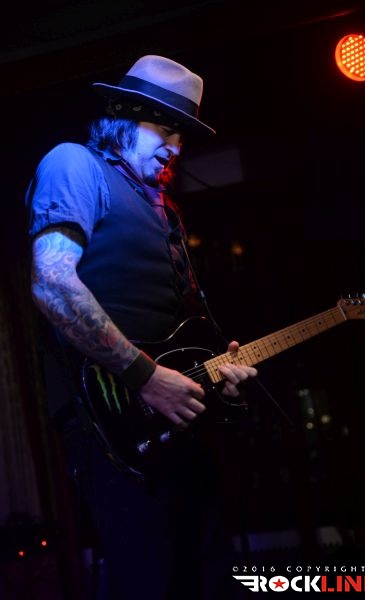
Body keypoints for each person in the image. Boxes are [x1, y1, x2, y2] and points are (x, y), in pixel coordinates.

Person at [25, 54, 257, 599]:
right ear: (124, 115)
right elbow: (52, 282)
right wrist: (146, 378)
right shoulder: (75, 164)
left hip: (180, 426)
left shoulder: (162, 207)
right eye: (166, 128)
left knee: (209, 577)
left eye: (182, 135)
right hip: (111, 422)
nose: (176, 146)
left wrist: (214, 374)